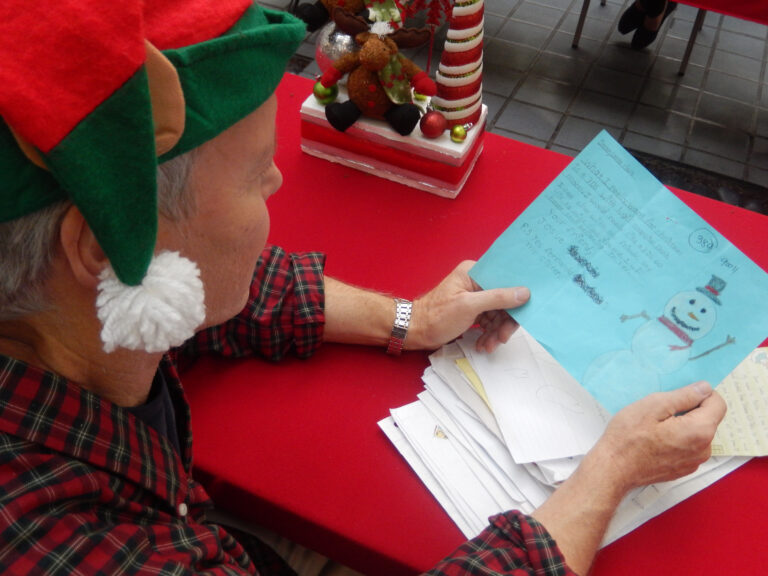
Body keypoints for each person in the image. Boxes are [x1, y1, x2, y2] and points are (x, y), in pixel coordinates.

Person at [0, 1, 725, 575]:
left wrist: (411, 317)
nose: (279, 182)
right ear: (105, 249)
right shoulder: (58, 539)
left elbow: (219, 298)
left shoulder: (67, 311)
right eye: (256, 176)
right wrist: (611, 471)